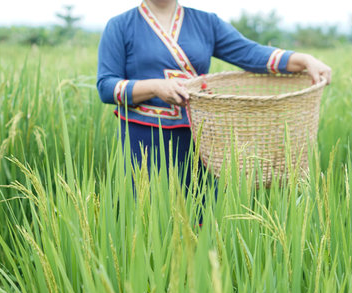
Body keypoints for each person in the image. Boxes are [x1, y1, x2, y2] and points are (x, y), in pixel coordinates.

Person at [96, 0, 331, 189]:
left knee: (203, 218)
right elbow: (106, 86)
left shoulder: (206, 23)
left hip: (200, 138)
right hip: (145, 139)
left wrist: (304, 60)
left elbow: (251, 54)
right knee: (150, 219)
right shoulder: (120, 26)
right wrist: (155, 87)